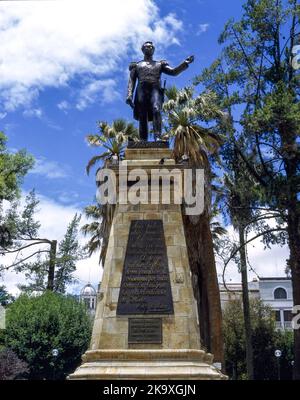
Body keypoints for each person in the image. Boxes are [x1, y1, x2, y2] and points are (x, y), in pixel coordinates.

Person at [126, 41, 194, 141]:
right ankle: (143, 139)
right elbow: (131, 81)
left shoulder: (159, 64)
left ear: (153, 50)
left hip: (155, 89)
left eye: (151, 47)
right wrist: (129, 95)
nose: (149, 48)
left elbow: (173, 72)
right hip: (141, 90)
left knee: (156, 109)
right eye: (147, 47)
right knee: (142, 114)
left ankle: (157, 136)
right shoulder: (136, 65)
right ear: (143, 50)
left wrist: (185, 63)